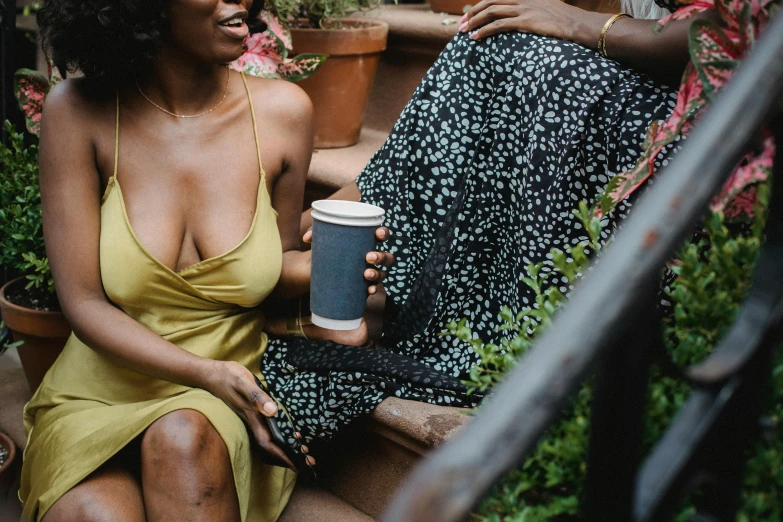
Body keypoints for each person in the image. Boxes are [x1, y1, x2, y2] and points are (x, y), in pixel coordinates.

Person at [257, 0, 705, 450]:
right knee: (488, 39)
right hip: (661, 72)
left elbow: (741, 37)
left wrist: (583, 22)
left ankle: (329, 235)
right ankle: (342, 228)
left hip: (719, 116)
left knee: (519, 56)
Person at [20, 1, 396, 520]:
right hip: (101, 389)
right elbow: (82, 302)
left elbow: (274, 263)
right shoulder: (78, 111)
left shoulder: (284, 114)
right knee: (94, 516)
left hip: (226, 391)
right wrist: (203, 372)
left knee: (182, 437)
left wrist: (323, 274)